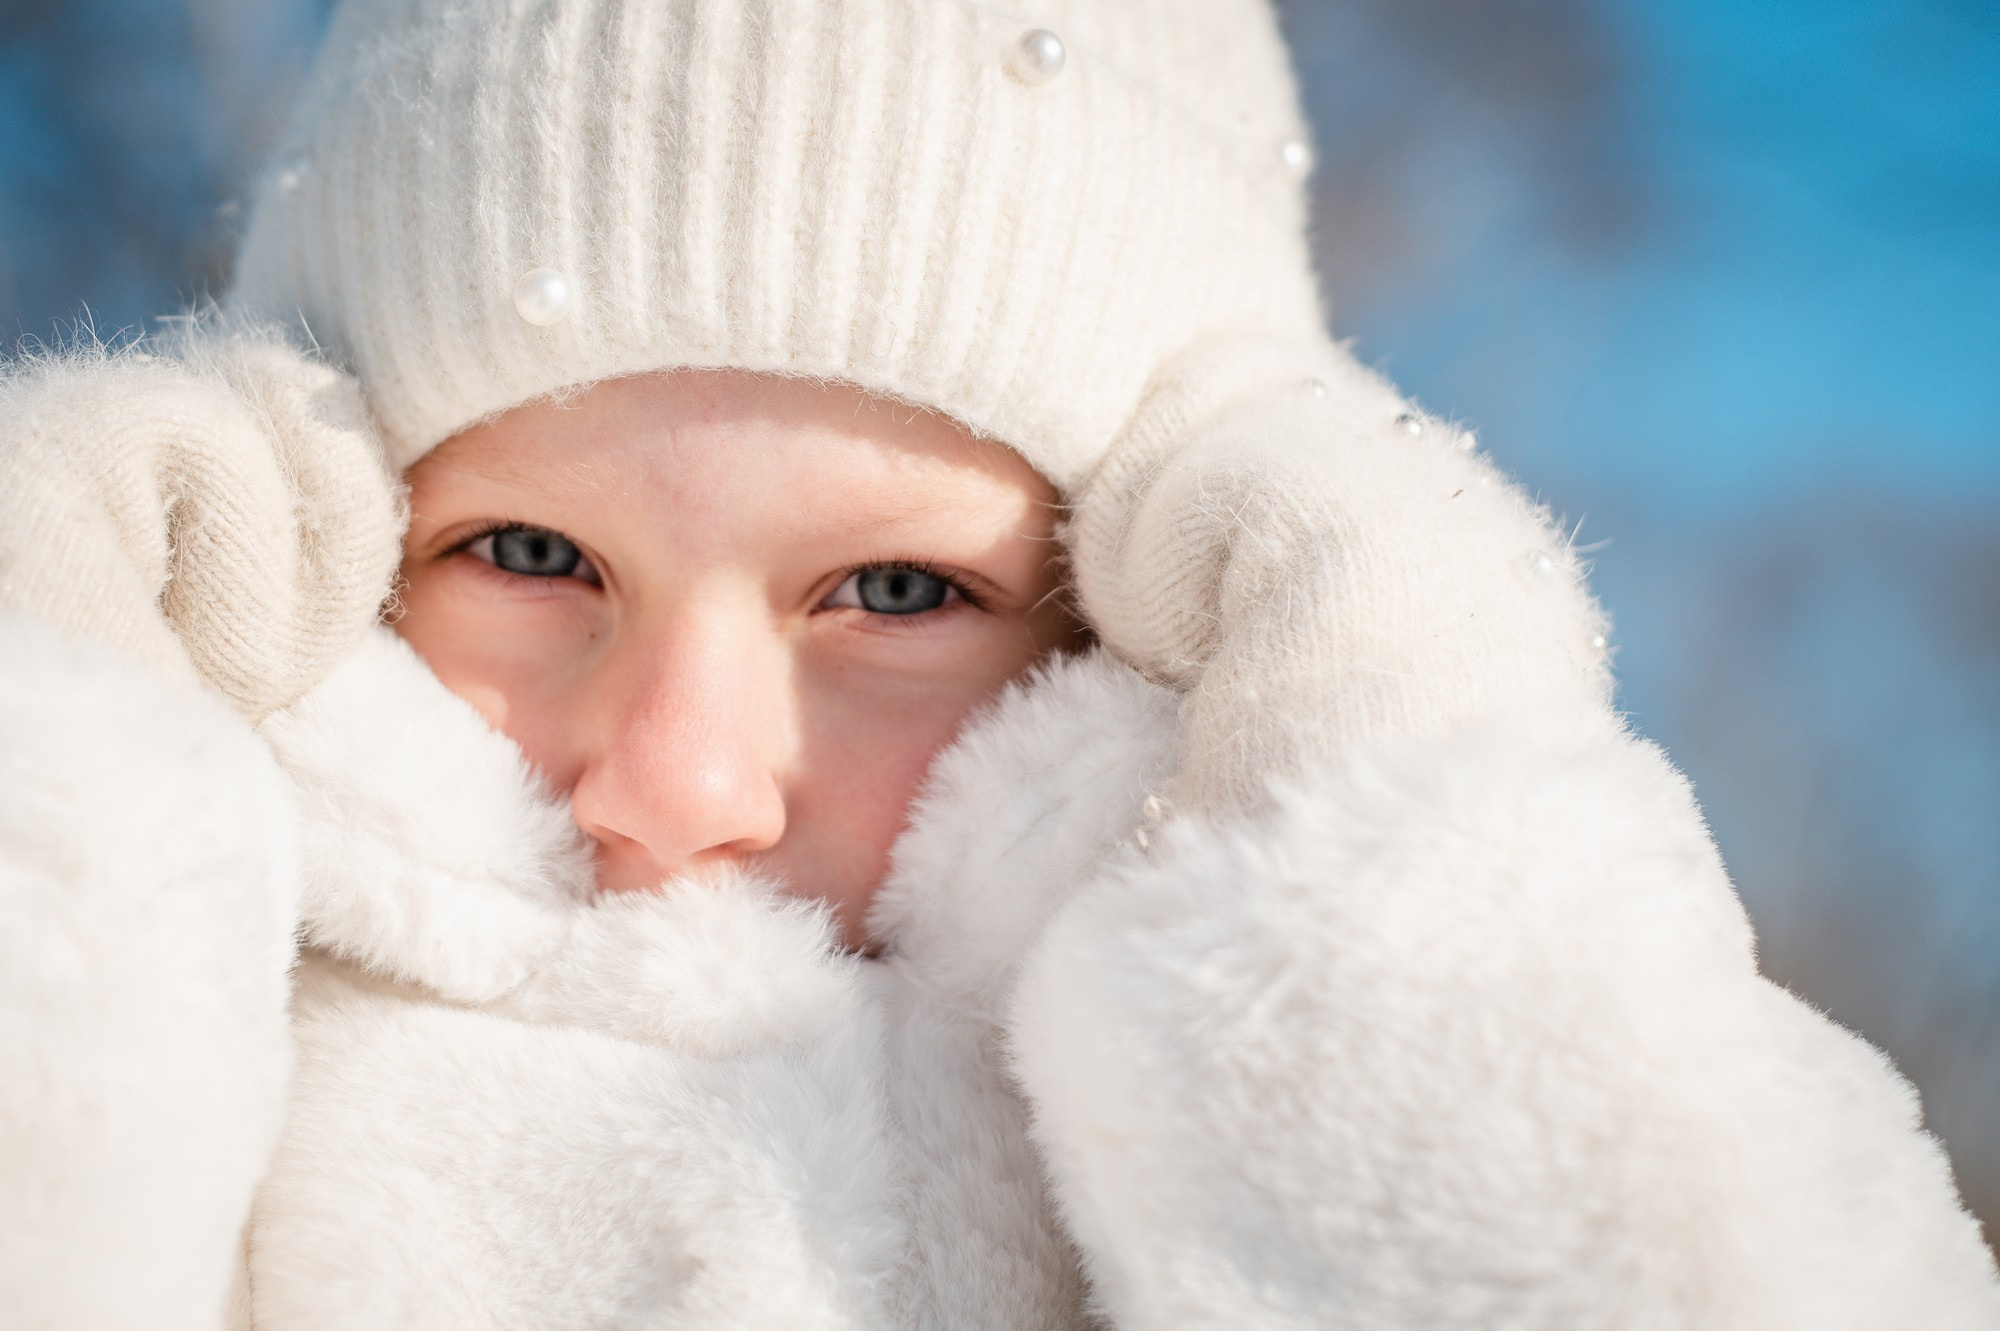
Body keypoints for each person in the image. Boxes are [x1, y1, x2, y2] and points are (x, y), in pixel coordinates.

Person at [2, 0, 1995, 1326]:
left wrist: (1390, 781)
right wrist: (56, 730)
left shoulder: (1180, 1118)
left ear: (1149, 589)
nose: (675, 785)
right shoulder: (217, 1040)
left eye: (892, 591)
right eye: (527, 555)